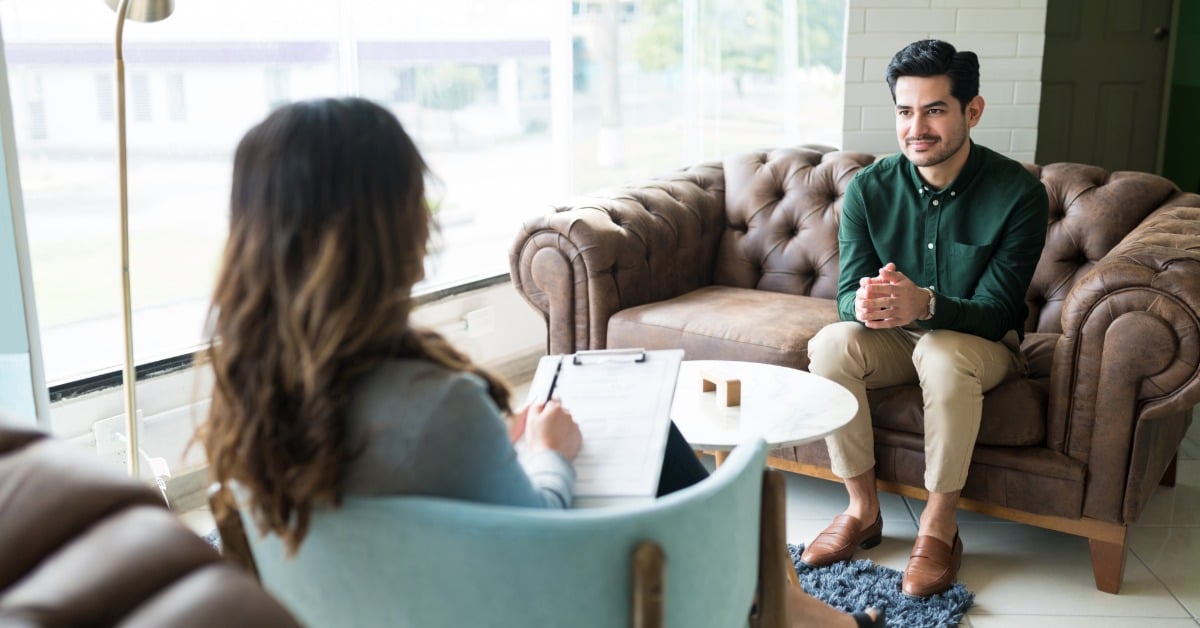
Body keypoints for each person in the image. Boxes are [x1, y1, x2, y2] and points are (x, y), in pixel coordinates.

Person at [196, 97, 881, 627]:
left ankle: (807, 616)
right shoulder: (437, 404)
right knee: (665, 444)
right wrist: (546, 453)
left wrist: (501, 448)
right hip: (547, 603)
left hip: (389, 604)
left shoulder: (244, 400)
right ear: (393, 226)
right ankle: (804, 616)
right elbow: (544, 541)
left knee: (643, 431)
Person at [799, 39, 1049, 598]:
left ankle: (939, 527)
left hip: (978, 345)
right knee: (832, 344)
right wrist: (862, 305)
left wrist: (928, 305)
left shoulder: (1019, 194)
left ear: (972, 111)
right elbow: (846, 296)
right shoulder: (868, 187)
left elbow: (998, 311)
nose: (918, 128)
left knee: (940, 349)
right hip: (894, 338)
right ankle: (862, 509)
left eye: (935, 110)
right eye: (905, 112)